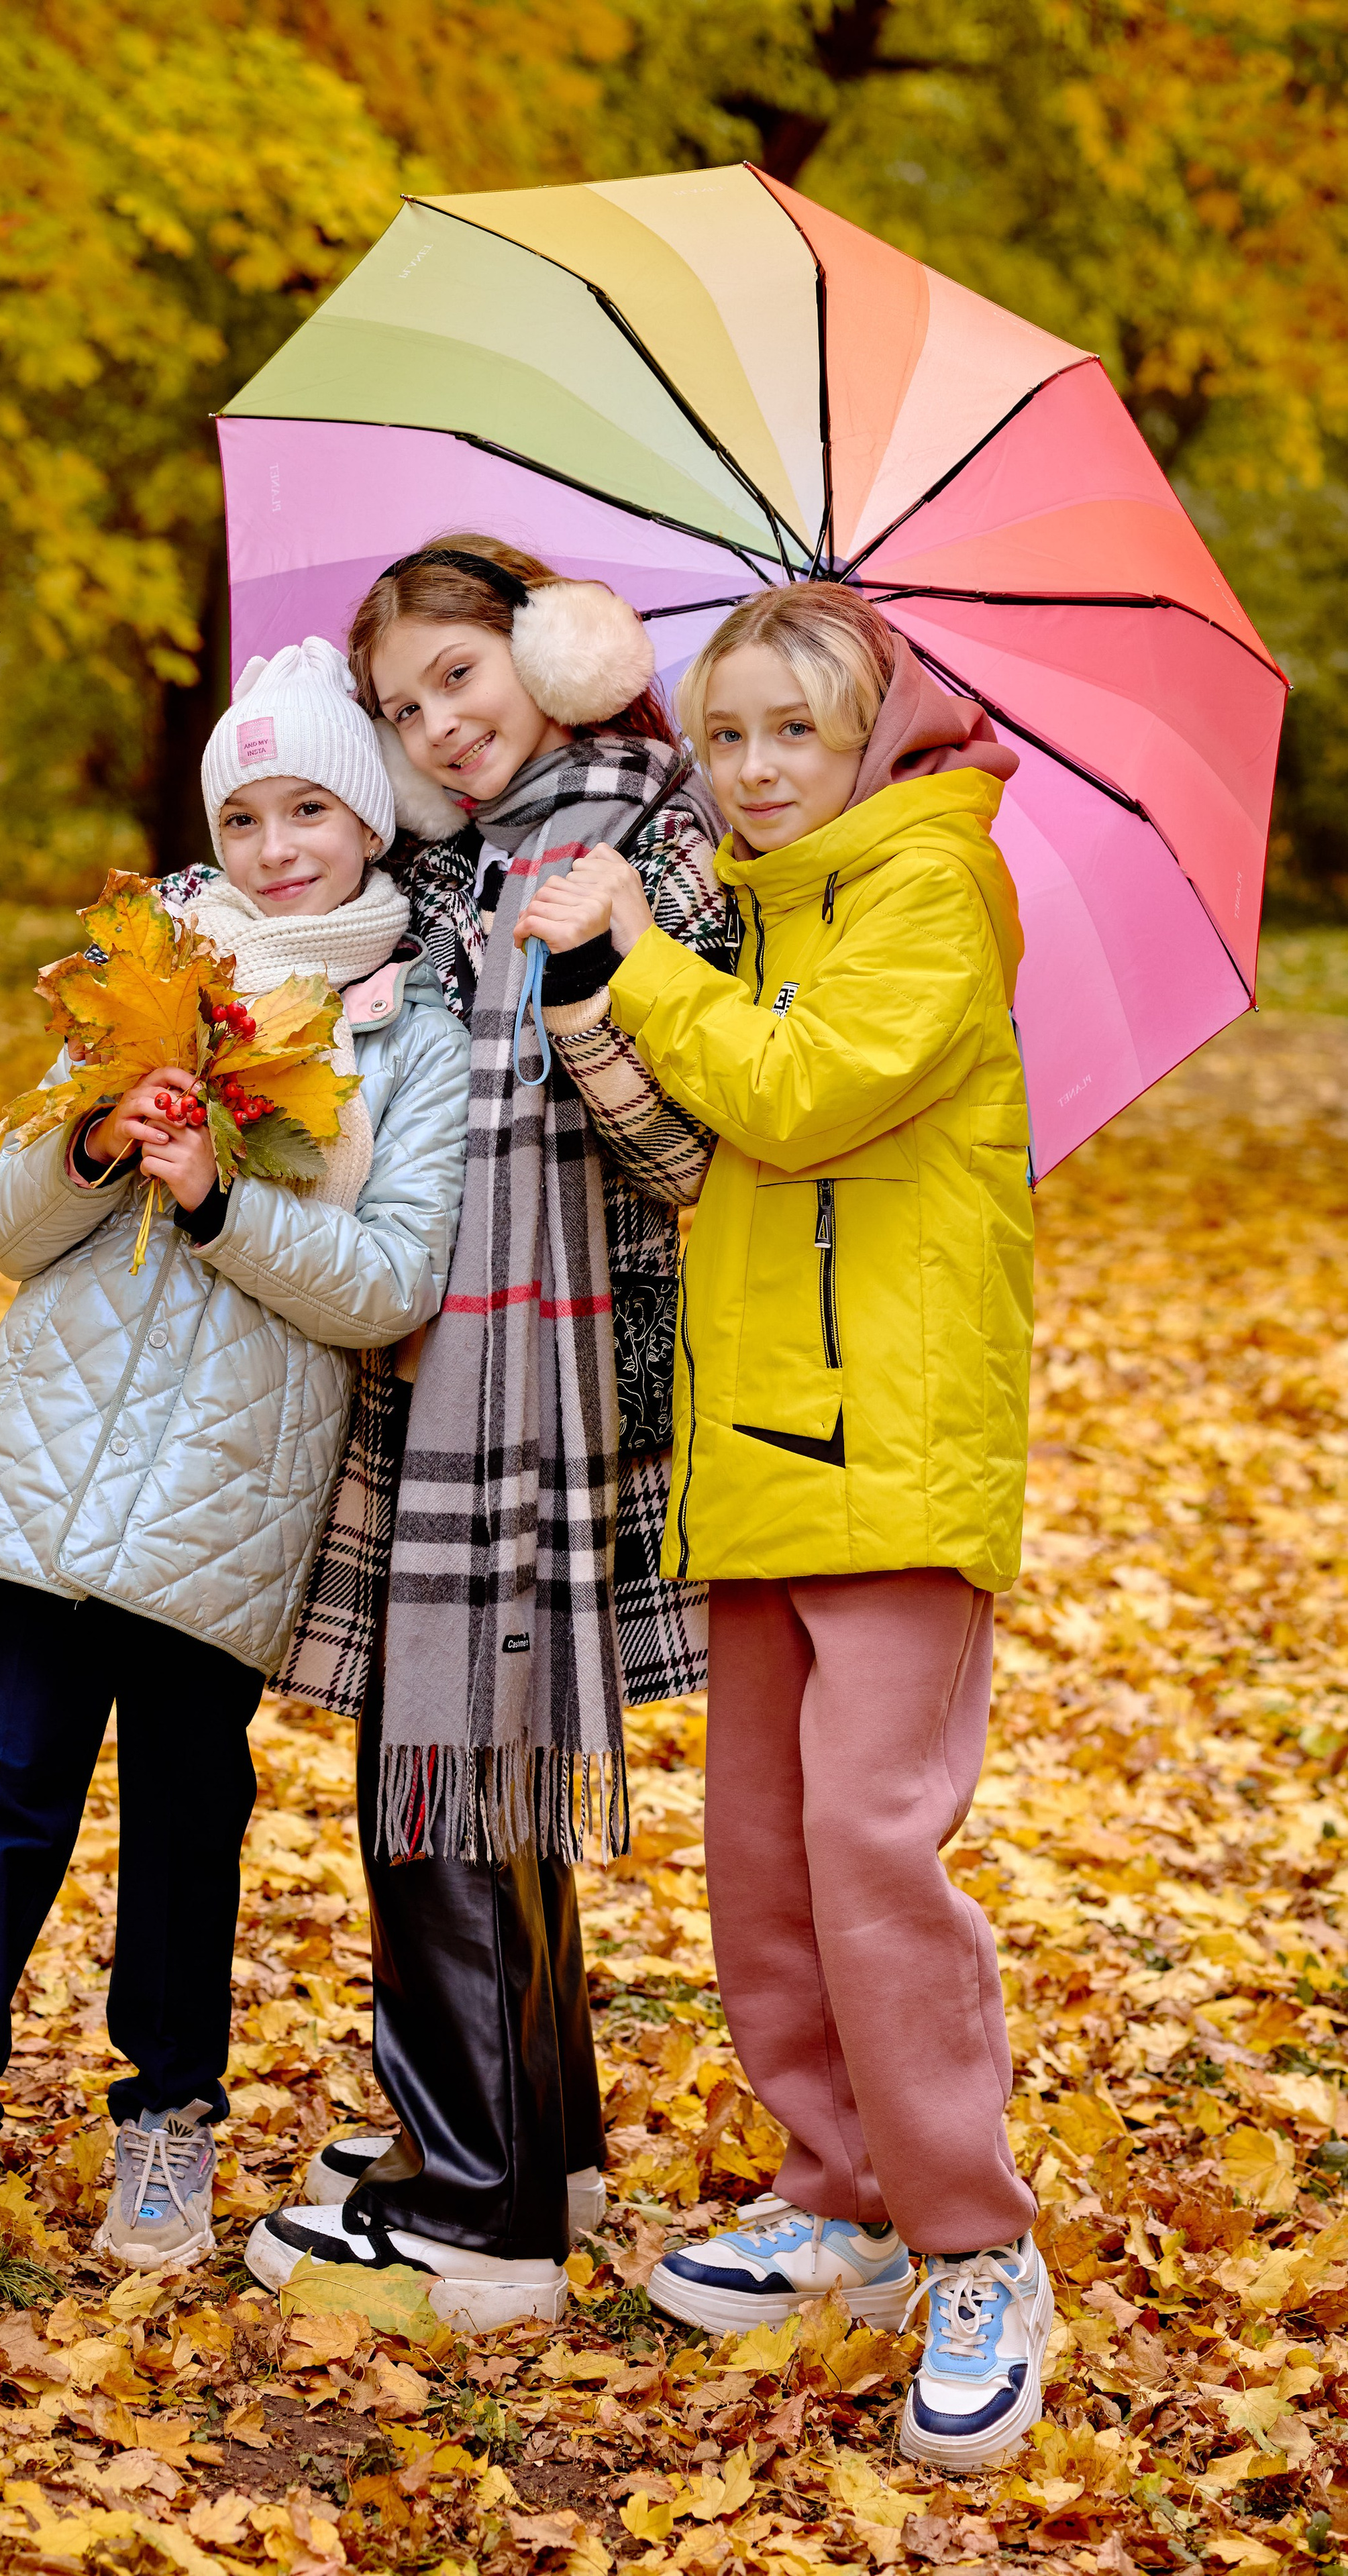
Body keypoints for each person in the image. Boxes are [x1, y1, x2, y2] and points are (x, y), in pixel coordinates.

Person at [0, 640, 470, 2282]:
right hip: (41, 1478)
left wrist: (218, 1202)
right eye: (244, 812)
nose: (273, 845)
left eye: (309, 805)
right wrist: (100, 1140)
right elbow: (0, 1225)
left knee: (187, 1814)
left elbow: (390, 1283)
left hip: (228, 1504)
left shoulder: (412, 1035)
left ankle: (165, 2123)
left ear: (369, 815)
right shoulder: (135, 977)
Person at [513, 582, 1049, 2469]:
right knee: (765, 1854)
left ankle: (974, 2244)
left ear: (870, 740)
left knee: (871, 1849)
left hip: (894, 1449)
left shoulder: (930, 892)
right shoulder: (760, 910)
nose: (747, 772)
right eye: (721, 735)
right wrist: (614, 980)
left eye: (789, 737)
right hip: (755, 1446)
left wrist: (644, 959)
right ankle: (840, 2200)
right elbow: (698, 1138)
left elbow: (804, 1095)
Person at [243, 538, 735, 2330]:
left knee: (445, 1766)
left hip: (549, 1379)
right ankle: (537, 2145)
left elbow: (691, 1159)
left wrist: (598, 977)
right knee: (457, 1768)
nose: (439, 725)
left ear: (550, 648)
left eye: (460, 674)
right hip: (437, 1371)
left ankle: (479, 2214)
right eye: (402, 706)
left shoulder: (642, 840)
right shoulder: (453, 874)